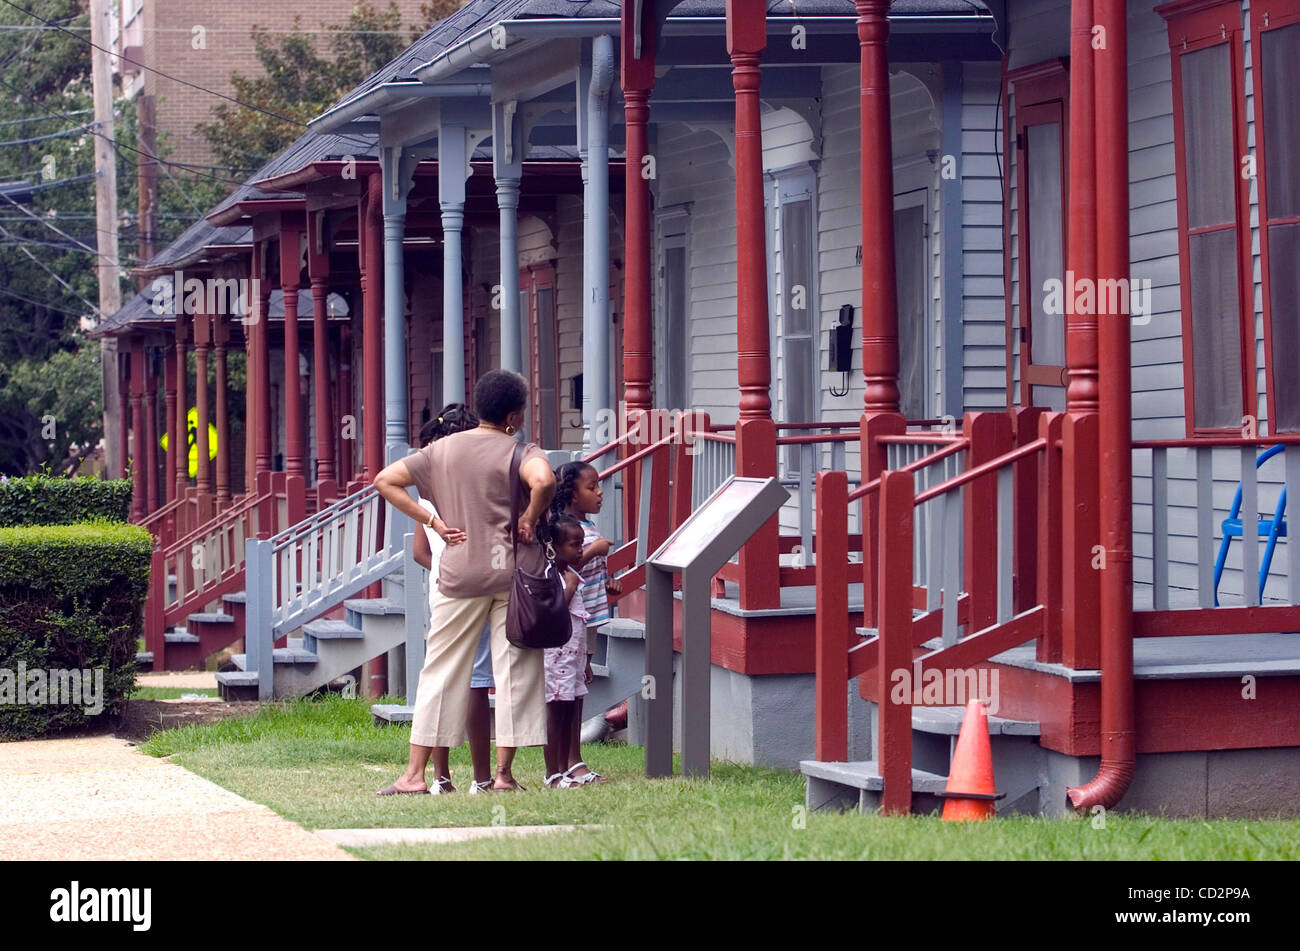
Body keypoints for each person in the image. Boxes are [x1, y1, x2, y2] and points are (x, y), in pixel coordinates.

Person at [373, 369, 555, 794]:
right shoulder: (522, 450)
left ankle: (415, 775)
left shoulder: (441, 451)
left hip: (461, 573)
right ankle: (505, 776)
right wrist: (528, 518)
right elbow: (544, 482)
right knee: (514, 670)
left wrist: (433, 521)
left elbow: (385, 480)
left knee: (440, 669)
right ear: (514, 414)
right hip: (514, 576)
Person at [407, 403, 496, 794]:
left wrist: (442, 573)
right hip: (476, 589)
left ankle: (441, 777)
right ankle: (482, 777)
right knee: (476, 682)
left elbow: (418, 553)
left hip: (441, 593)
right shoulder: (476, 489)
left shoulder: (427, 492)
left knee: (442, 679)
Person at [548, 461, 622, 785]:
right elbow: (567, 563)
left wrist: (610, 582)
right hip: (566, 626)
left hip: (587, 624)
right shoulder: (559, 528)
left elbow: (589, 575)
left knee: (578, 693)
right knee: (566, 697)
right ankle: (567, 763)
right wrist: (595, 550)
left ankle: (572, 760)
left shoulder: (588, 527)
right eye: (591, 487)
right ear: (571, 494)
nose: (600, 492)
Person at [541, 516, 590, 787]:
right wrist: (569, 588)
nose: (580, 550)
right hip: (555, 660)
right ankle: (552, 772)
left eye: (582, 544)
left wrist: (585, 664)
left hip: (573, 660)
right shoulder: (551, 577)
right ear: (554, 548)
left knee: (568, 713)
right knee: (555, 715)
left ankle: (564, 768)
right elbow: (553, 613)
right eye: (575, 545)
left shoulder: (573, 575)